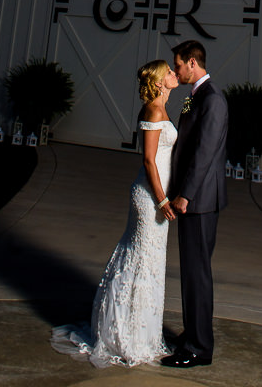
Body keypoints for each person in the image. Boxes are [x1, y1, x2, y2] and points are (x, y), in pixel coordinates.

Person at [51, 58, 178, 367]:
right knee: (140, 259)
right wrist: (162, 200)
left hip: (156, 196)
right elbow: (149, 161)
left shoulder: (164, 108)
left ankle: (142, 333)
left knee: (149, 261)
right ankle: (124, 335)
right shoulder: (154, 110)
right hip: (149, 198)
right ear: (160, 81)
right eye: (170, 72)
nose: (175, 74)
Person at [160, 39, 228, 368]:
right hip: (192, 197)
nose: (176, 70)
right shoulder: (195, 97)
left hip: (199, 200)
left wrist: (184, 195)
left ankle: (199, 348)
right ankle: (191, 336)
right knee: (191, 272)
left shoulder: (213, 99)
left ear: (192, 62)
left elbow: (204, 153)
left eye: (178, 65)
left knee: (197, 274)